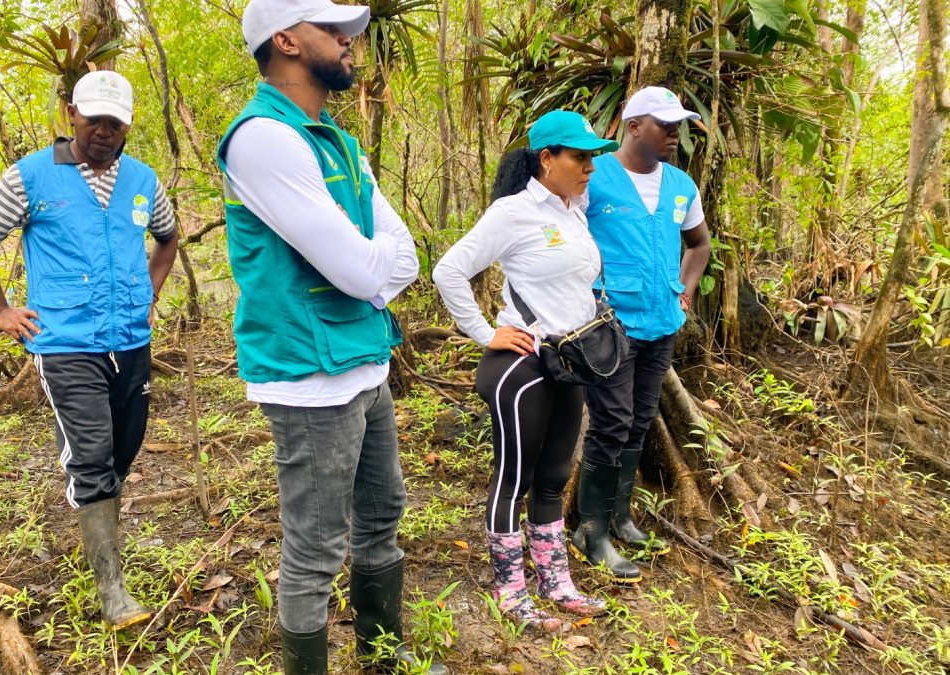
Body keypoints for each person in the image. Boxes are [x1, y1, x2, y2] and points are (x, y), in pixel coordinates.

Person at [216, 2, 442, 673]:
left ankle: (382, 653)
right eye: (333, 29)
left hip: (362, 357)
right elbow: (361, 269)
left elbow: (403, 257)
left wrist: (371, 265)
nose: (349, 41)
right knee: (316, 544)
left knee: (383, 511)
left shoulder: (336, 140)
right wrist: (371, 265)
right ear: (286, 40)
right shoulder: (264, 139)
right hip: (310, 373)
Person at [0, 71, 179, 629]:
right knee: (92, 455)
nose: (103, 131)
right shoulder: (31, 176)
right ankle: (112, 590)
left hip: (131, 339)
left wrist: (149, 293)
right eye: (93, 119)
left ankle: (99, 531)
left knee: (124, 448)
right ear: (72, 115)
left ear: (127, 126)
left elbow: (167, 237)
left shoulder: (142, 179)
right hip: (65, 343)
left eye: (114, 123)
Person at [433, 111, 619, 631]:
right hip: (523, 366)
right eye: (580, 157)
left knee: (554, 476)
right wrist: (483, 332)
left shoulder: (574, 211)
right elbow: (449, 270)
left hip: (569, 362)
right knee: (514, 479)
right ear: (547, 158)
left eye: (592, 157)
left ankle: (555, 582)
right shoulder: (513, 213)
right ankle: (511, 590)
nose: (590, 167)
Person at [570, 86, 712, 582]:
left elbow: (698, 244)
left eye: (679, 126)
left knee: (639, 420)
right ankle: (590, 531)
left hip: (661, 324)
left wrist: (684, 293)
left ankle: (621, 516)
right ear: (633, 126)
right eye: (665, 125)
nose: (675, 134)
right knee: (611, 422)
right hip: (608, 326)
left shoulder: (681, 185)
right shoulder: (594, 177)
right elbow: (562, 237)